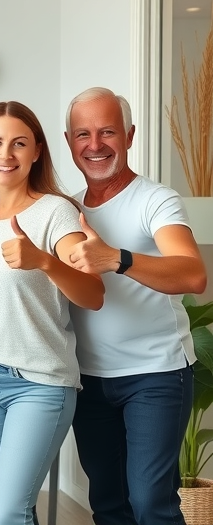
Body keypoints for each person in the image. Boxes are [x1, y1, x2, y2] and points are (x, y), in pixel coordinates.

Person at [64, 88, 206, 525]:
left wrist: (117, 259)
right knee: (108, 503)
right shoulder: (66, 208)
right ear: (68, 141)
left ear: (129, 135)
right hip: (89, 380)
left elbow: (192, 274)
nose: (95, 144)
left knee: (150, 503)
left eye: (107, 131)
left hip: (155, 376)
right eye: (83, 134)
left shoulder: (155, 200)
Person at [0, 101, 104, 525]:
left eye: (19, 144)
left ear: (37, 151)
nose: (6, 154)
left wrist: (44, 261)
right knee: (6, 509)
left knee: (8, 512)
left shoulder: (55, 212)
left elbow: (93, 293)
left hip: (37, 383)